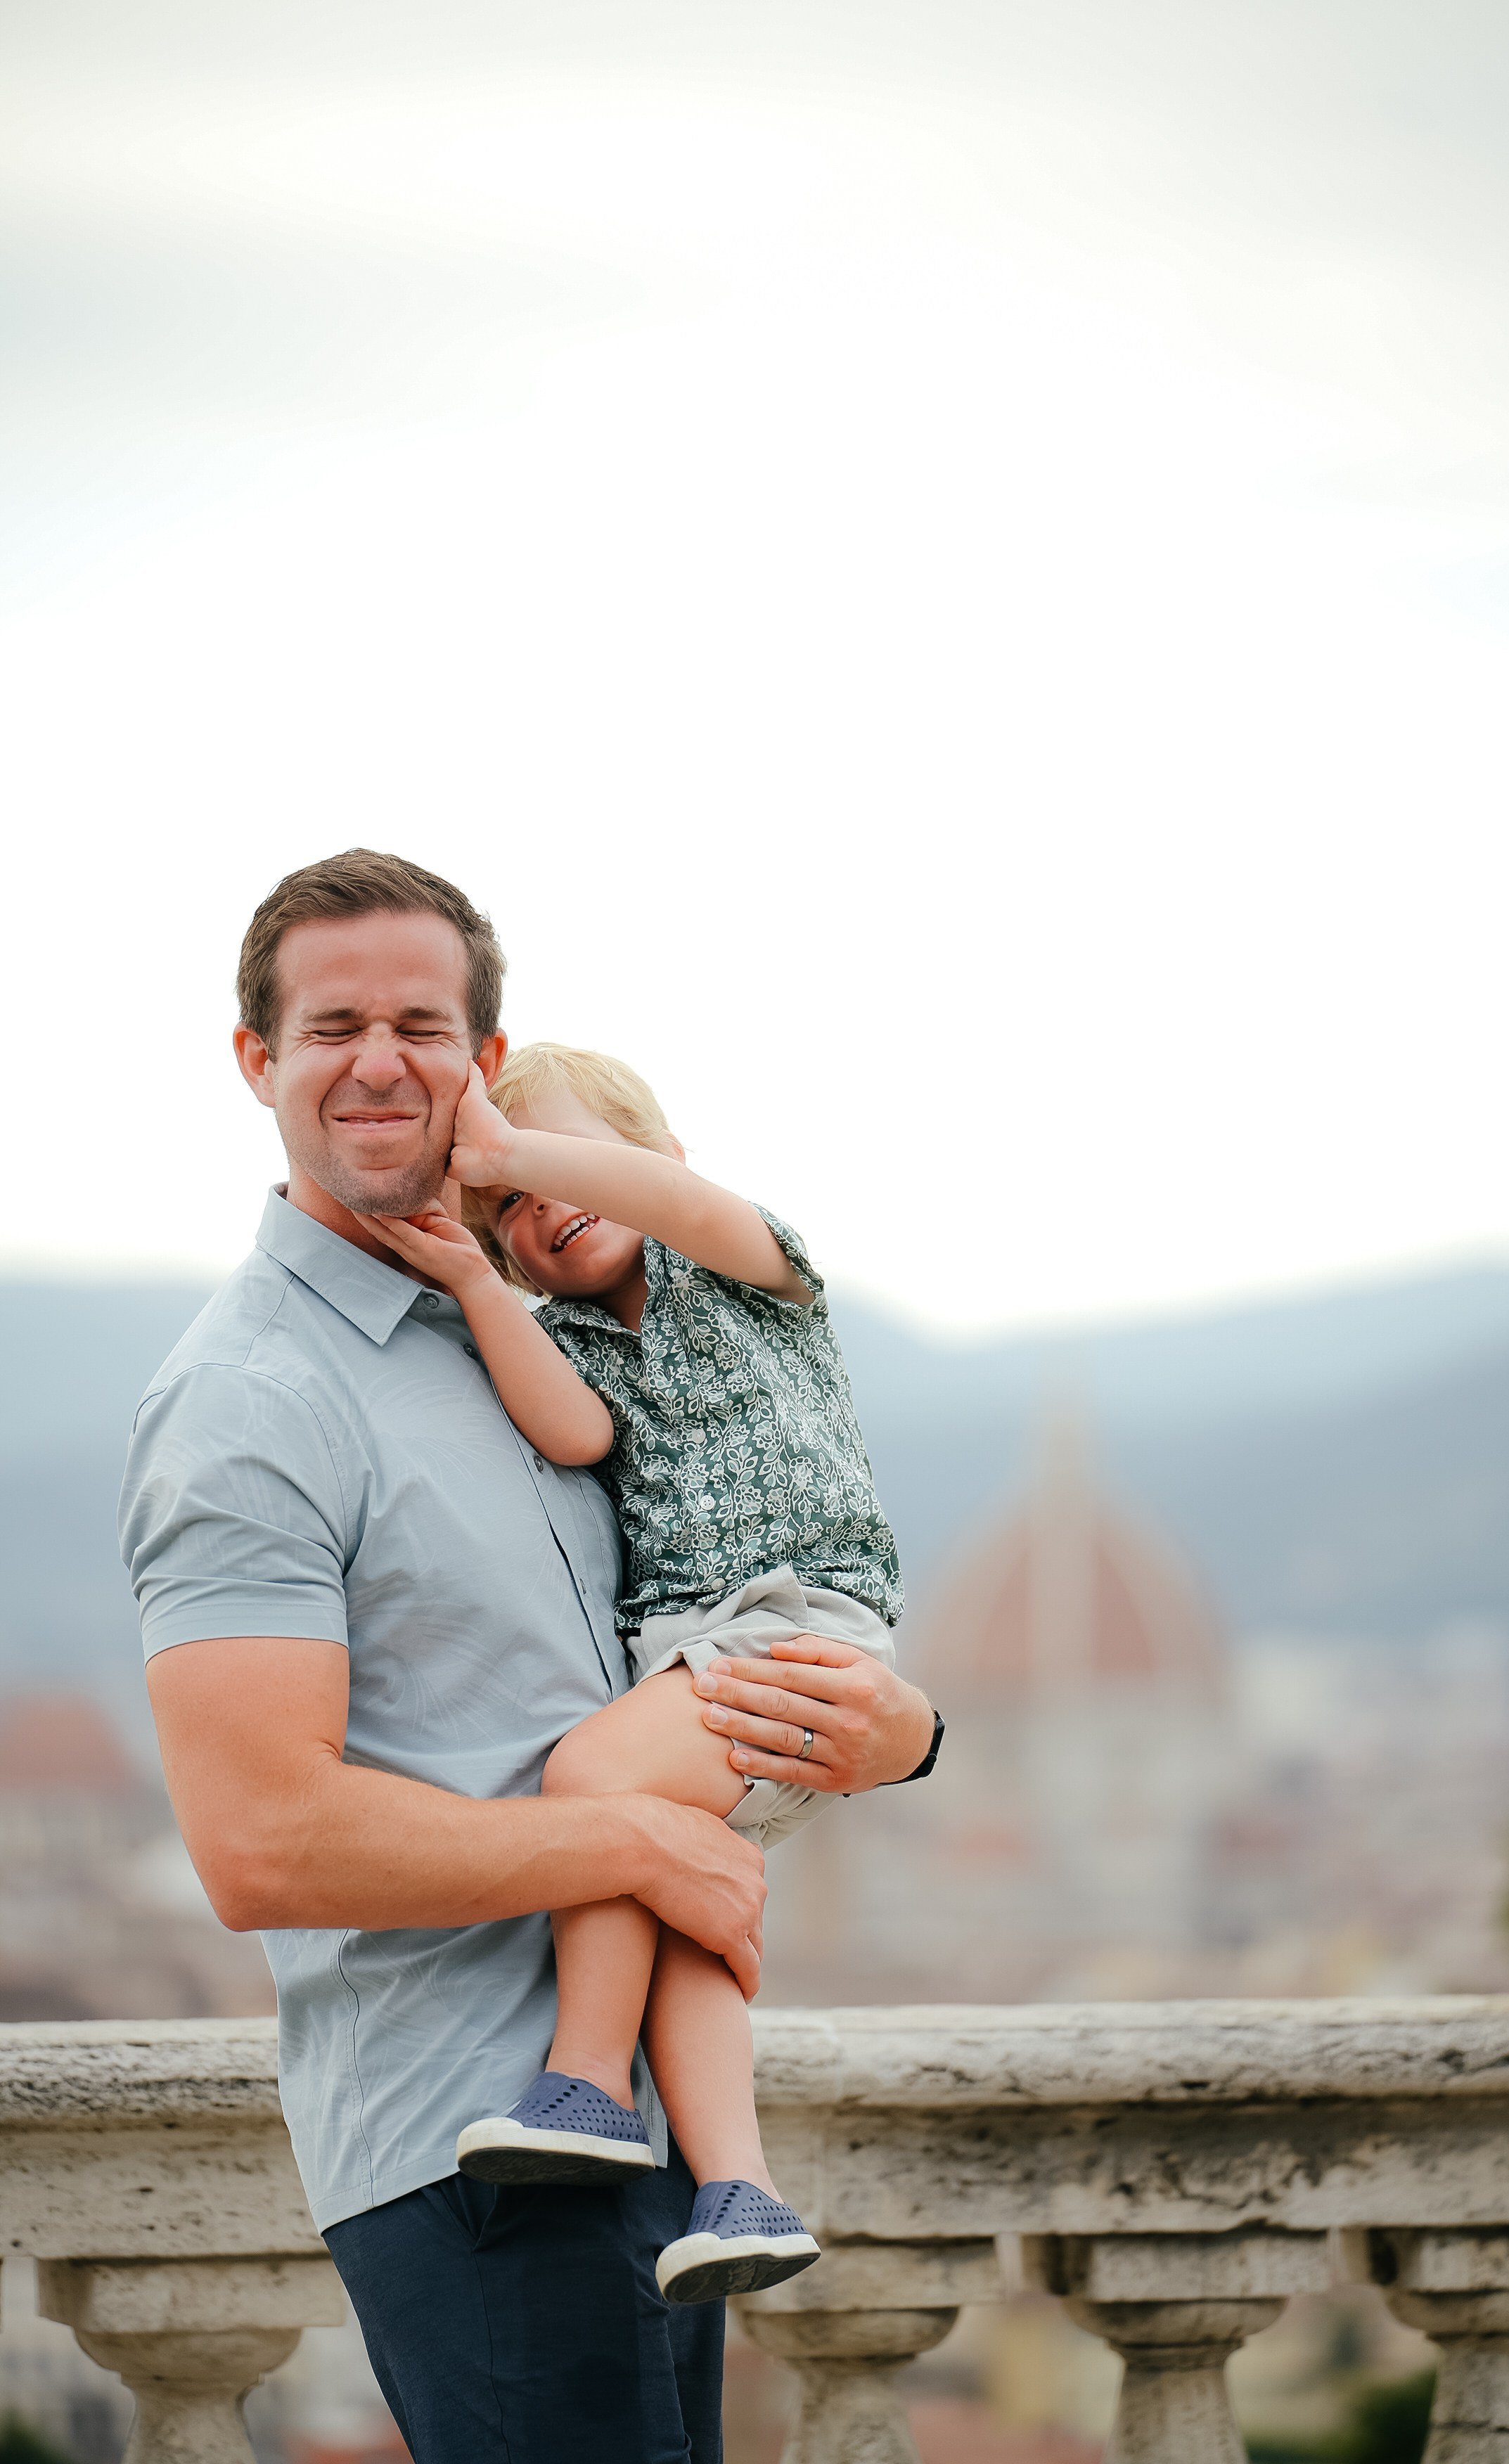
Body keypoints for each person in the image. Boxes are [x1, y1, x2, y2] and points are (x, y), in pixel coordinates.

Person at [120, 848, 941, 2464]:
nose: (379, 1061)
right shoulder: (250, 1399)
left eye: (422, 1024)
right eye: (331, 1024)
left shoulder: (511, 1328)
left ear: (482, 1066)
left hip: (638, 2138)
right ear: (255, 1062)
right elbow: (261, 1840)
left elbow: (708, 1627)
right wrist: (633, 1832)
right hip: (468, 2149)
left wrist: (898, 1731)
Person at [358, 1040, 901, 2306]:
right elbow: (574, 1431)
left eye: (570, 1165)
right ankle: (739, 2190)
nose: (543, 1205)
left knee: (591, 1775)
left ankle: (591, 2085)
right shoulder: (578, 1344)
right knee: (681, 1914)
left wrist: (502, 1154)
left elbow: (691, 1212)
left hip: (798, 1631)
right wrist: (472, 1273)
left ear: (657, 1160)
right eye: (514, 1219)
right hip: (693, 1665)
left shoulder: (747, 1274)